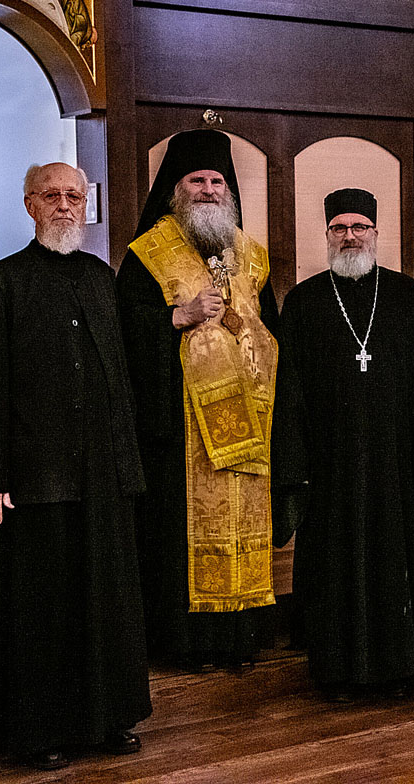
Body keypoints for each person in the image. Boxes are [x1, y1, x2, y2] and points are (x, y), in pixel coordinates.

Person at [0, 162, 149, 770]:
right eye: (53, 196)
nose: (66, 206)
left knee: (104, 599)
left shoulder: (102, 278)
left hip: (102, 473)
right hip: (36, 477)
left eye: (75, 195)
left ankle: (106, 719)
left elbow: (122, 379)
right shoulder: (5, 280)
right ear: (30, 206)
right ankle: (39, 729)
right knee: (44, 606)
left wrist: (129, 466)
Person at [118, 130, 284, 672]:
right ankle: (189, 642)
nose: (209, 189)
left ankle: (239, 635)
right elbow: (123, 333)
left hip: (249, 424)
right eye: (197, 180)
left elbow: (272, 329)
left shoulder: (250, 256)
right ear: (176, 190)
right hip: (181, 433)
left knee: (244, 523)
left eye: (217, 181)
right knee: (183, 535)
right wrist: (177, 316)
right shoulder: (148, 254)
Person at [277, 187, 414, 700]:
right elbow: (288, 392)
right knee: (334, 568)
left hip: (394, 466)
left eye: (359, 227)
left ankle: (399, 669)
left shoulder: (406, 295)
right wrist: (296, 465)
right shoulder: (303, 301)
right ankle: (337, 671)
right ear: (327, 236)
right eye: (339, 228)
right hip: (330, 468)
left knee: (395, 564)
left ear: (375, 233)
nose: (350, 236)